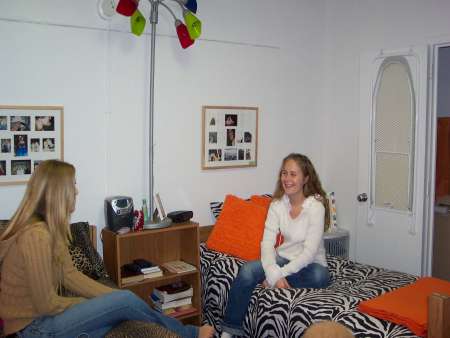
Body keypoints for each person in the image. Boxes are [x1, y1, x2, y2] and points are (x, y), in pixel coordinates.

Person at [0, 160, 214, 338]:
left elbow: (71, 276)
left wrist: (110, 298)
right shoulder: (35, 236)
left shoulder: (50, 230)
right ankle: (190, 334)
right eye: (72, 185)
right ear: (59, 193)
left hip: (42, 323)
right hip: (31, 330)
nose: (76, 190)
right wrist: (108, 301)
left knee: (118, 312)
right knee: (125, 301)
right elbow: (47, 304)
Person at [220, 153, 331, 338]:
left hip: (311, 264)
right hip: (283, 258)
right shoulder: (277, 205)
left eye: (293, 174)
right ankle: (228, 332)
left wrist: (275, 277)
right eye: (284, 173)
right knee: (247, 271)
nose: (287, 179)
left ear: (306, 178)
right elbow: (267, 244)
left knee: (320, 276)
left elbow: (309, 253)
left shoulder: (316, 208)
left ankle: (270, 282)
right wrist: (273, 272)